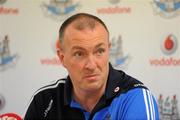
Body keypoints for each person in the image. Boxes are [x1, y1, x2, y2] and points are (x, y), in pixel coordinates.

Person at [24, 13, 159, 120]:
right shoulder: (44, 100)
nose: (91, 65)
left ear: (108, 50)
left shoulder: (135, 97)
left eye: (99, 51)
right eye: (79, 54)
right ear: (62, 57)